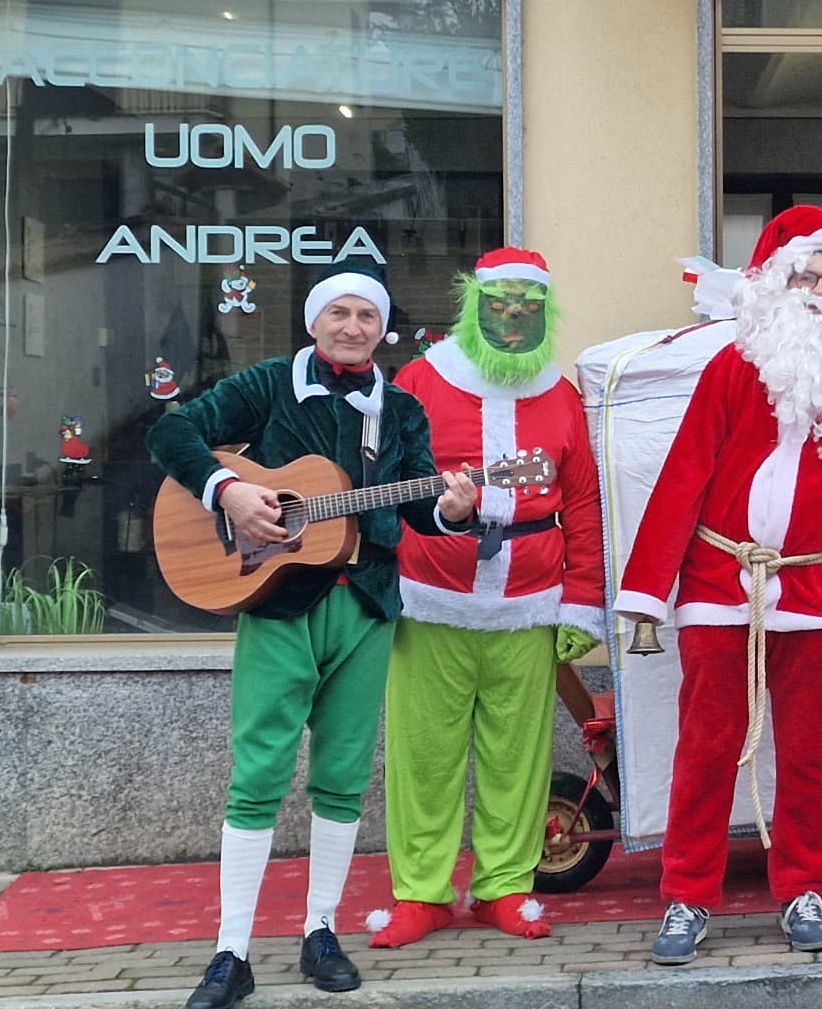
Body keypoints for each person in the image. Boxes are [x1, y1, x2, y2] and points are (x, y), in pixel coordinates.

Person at [147, 260, 478, 1008]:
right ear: (315, 321)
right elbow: (172, 431)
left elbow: (418, 507)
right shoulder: (270, 384)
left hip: (366, 605)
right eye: (340, 313)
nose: (353, 327)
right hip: (279, 602)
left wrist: (452, 510)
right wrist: (230, 491)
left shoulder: (401, 409)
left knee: (343, 774)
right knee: (258, 773)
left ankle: (320, 930)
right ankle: (231, 950)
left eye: (367, 316)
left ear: (381, 329)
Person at [615, 205, 822, 964]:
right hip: (721, 586)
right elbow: (682, 477)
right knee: (706, 749)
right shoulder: (730, 369)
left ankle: (804, 887)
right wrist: (649, 589)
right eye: (807, 278)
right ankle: (687, 895)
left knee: (813, 755)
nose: (820, 293)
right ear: (779, 286)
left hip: (820, 596)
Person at [368, 248, 605, 948]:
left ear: (546, 313)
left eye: (528, 307)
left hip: (531, 601)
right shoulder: (419, 379)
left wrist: (582, 600)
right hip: (430, 598)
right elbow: (380, 483)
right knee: (423, 756)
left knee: (518, 758)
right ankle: (422, 894)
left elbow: (582, 504)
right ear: (474, 307)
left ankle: (504, 887)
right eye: (499, 304)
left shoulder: (561, 396)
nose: (512, 318)